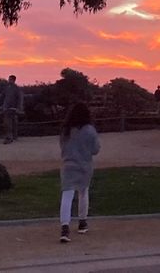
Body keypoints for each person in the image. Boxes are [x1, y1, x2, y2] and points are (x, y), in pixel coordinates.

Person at [59, 102, 100, 243]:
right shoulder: (89, 130)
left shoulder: (66, 130)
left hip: (68, 165)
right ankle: (82, 222)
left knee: (67, 194)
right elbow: (95, 149)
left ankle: (64, 227)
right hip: (84, 165)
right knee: (83, 192)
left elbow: (62, 146)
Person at [2, 75, 23, 144]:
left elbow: (19, 98)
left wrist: (18, 108)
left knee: (10, 122)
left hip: (13, 108)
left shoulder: (17, 88)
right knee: (9, 122)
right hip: (7, 107)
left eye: (10, 79)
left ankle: (10, 137)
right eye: (9, 79)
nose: (9, 80)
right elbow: (3, 96)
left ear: (14, 80)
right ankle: (12, 136)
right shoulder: (6, 88)